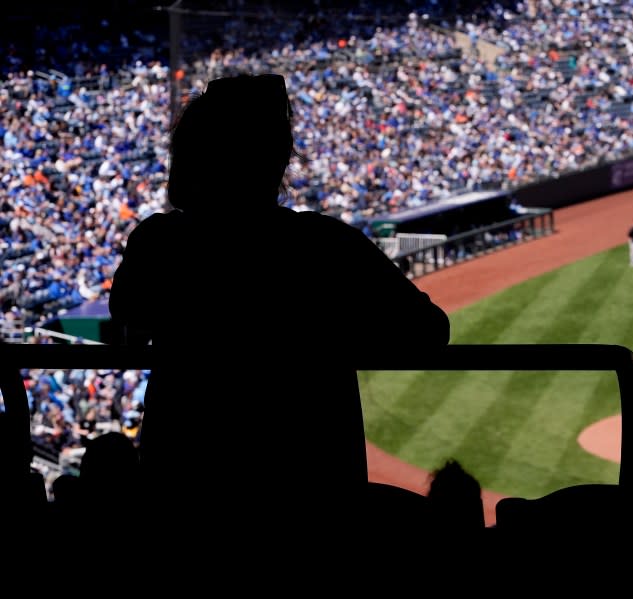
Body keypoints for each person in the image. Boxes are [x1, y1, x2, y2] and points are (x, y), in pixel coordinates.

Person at [109, 73, 450, 540]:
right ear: (278, 160)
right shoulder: (326, 244)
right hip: (310, 498)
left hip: (187, 497)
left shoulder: (158, 242)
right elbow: (428, 331)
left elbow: (128, 325)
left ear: (190, 158)